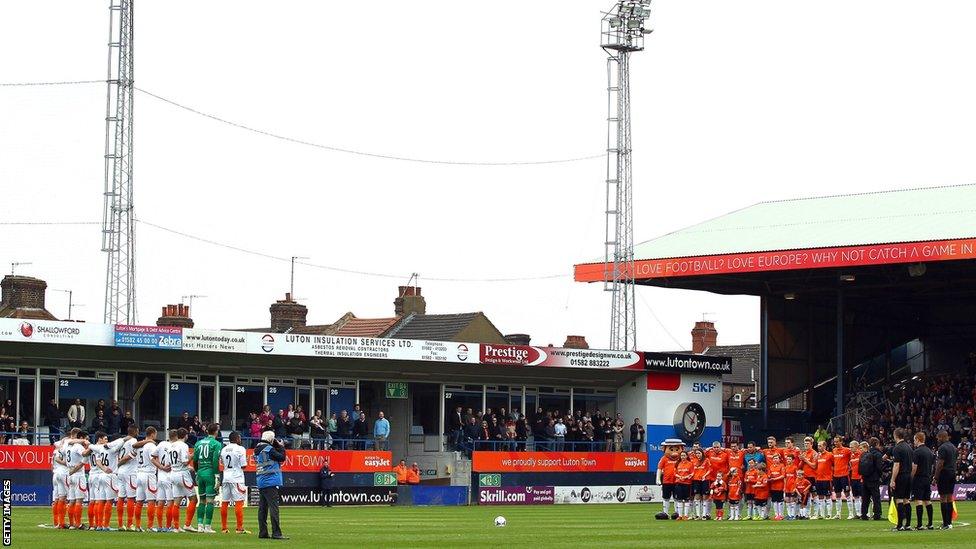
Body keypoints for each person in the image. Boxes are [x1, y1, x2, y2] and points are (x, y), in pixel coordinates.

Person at [190, 423, 223, 533]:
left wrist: (196, 472)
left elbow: (194, 459)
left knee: (202, 500)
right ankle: (207, 526)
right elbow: (214, 460)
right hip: (210, 473)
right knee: (210, 501)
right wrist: (217, 475)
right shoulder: (217, 444)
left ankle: (199, 525)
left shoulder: (198, 443)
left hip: (200, 473)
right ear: (216, 432)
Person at [255, 430, 288, 540]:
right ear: (271, 439)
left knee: (262, 509)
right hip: (271, 481)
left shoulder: (257, 449)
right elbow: (282, 457)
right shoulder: (269, 449)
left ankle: (263, 532)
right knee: (274, 508)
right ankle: (276, 533)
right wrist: (281, 446)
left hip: (261, 481)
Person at [219, 431, 251, 534]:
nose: (240, 439)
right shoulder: (240, 449)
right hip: (236, 478)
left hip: (226, 477)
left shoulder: (223, 449)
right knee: (238, 502)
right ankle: (239, 528)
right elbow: (243, 466)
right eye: (239, 438)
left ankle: (224, 528)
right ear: (237, 438)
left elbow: (223, 463)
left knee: (224, 502)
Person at [166, 428, 193, 533]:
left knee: (176, 502)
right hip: (182, 474)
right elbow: (185, 462)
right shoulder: (183, 445)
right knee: (194, 499)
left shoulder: (171, 446)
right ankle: (187, 524)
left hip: (173, 473)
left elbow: (170, 463)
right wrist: (192, 456)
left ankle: (176, 527)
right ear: (185, 435)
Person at [890, 427, 914, 531]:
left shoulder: (897, 448)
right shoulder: (909, 447)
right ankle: (908, 524)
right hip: (908, 476)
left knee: (899, 499)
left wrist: (892, 479)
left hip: (900, 476)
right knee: (906, 500)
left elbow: (896, 465)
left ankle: (899, 525)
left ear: (895, 436)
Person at [910, 431, 935, 530]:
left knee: (918, 500)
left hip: (919, 478)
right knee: (927, 500)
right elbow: (932, 466)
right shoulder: (930, 452)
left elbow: (914, 467)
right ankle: (930, 523)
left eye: (914, 440)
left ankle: (920, 524)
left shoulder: (916, 452)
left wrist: (911, 477)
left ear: (917, 439)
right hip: (927, 478)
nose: (914, 442)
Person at [933, 429, 957, 529]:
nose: (938, 439)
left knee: (943, 498)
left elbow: (940, 464)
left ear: (942, 437)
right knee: (949, 497)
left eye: (938, 437)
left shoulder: (942, 448)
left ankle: (945, 523)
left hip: (944, 474)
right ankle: (949, 522)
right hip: (952, 473)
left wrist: (935, 477)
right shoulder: (953, 447)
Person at [858, 437, 883, 520]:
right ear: (877, 444)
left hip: (865, 478)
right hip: (874, 479)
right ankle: (877, 514)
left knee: (865, 498)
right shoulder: (878, 454)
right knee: (876, 498)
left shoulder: (865, 454)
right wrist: (880, 476)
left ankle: (864, 514)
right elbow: (879, 468)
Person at [830, 436, 853, 519]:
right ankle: (838, 514)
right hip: (836, 476)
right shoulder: (834, 450)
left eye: (837, 442)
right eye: (834, 442)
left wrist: (850, 468)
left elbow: (852, 459)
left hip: (844, 475)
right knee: (837, 494)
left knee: (847, 494)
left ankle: (851, 513)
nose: (835, 443)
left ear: (841, 442)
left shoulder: (847, 450)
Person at [656, 447, 678, 518]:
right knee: (666, 498)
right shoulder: (664, 458)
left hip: (677, 481)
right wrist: (658, 479)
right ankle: (665, 513)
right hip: (666, 481)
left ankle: (677, 513)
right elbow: (659, 468)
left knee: (676, 498)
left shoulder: (680, 458)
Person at [675, 451, 694, 520]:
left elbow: (692, 473)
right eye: (681, 455)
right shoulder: (677, 464)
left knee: (686, 500)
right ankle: (680, 516)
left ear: (687, 456)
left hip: (687, 484)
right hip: (679, 483)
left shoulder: (690, 464)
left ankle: (685, 515)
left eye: (684, 455)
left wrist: (686, 477)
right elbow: (675, 473)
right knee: (679, 500)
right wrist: (679, 477)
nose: (682, 457)